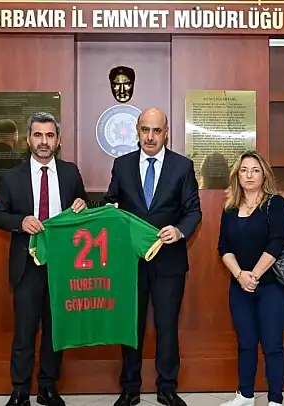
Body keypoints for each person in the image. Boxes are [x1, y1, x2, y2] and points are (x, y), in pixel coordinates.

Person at [102, 108, 202, 406]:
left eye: (156, 131)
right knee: (130, 326)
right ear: (137, 130)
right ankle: (129, 388)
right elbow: (111, 201)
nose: (150, 136)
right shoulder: (122, 165)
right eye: (145, 130)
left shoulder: (182, 166)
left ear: (166, 133)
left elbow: (193, 211)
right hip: (130, 262)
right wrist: (108, 209)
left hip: (169, 261)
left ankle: (167, 387)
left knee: (167, 326)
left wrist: (180, 231)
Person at [0, 112, 89, 406]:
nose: (43, 141)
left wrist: (83, 205)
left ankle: (48, 386)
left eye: (49, 135)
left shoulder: (70, 173)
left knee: (55, 331)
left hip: (63, 265)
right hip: (27, 265)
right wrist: (20, 222)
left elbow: (82, 206)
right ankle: (20, 390)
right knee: (25, 331)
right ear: (27, 140)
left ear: (58, 141)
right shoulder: (13, 177)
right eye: (38, 135)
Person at [216, 150, 284, 406]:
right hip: (240, 286)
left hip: (272, 287)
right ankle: (245, 395)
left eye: (255, 170)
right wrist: (240, 276)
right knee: (246, 342)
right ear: (237, 175)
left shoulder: (275, 203)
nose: (249, 175)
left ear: (264, 175)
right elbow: (223, 247)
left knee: (272, 344)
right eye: (244, 170)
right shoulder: (230, 208)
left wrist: (255, 275)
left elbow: (277, 242)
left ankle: (275, 400)